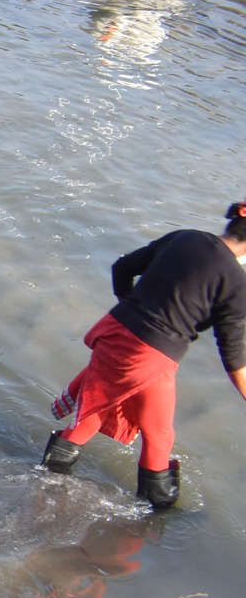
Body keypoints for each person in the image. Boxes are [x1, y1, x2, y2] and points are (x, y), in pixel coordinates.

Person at [42, 204, 246, 509]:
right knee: (159, 435)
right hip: (150, 357)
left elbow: (122, 268)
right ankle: (156, 515)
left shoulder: (185, 237)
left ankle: (46, 478)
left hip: (114, 332)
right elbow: (233, 355)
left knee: (95, 408)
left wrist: (132, 311)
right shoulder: (236, 283)